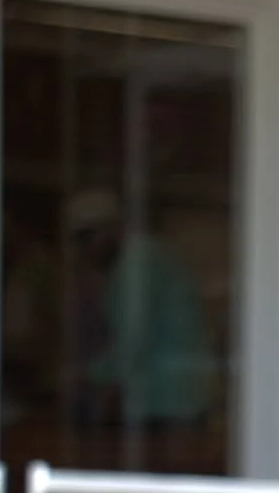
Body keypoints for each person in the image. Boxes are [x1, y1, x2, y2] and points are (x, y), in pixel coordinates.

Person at [66, 189, 216, 463]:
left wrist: (89, 376)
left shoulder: (139, 265)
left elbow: (134, 339)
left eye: (88, 237)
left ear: (112, 228)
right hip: (172, 398)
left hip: (168, 404)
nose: (86, 249)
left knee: (162, 477)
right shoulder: (144, 260)